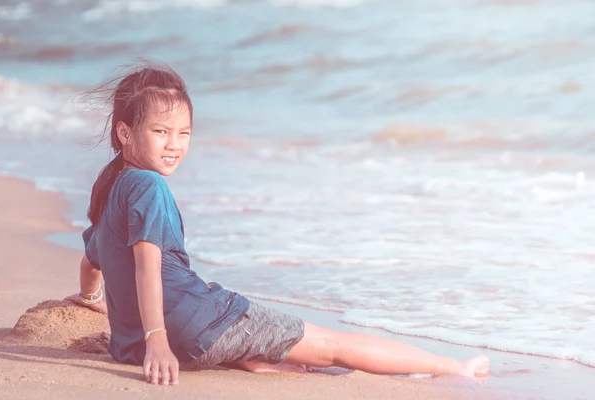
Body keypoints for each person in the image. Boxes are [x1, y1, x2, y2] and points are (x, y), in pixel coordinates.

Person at [65, 63, 489, 386]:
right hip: (192, 328)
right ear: (124, 132)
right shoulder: (149, 185)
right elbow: (146, 264)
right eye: (161, 131)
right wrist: (158, 336)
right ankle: (451, 366)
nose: (174, 144)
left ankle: (251, 355)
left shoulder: (111, 190)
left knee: (251, 338)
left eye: (184, 133)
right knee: (331, 346)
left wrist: (92, 297)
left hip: (133, 345)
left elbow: (92, 261)